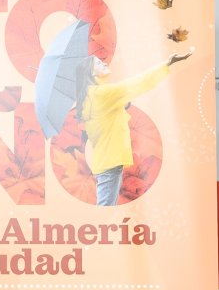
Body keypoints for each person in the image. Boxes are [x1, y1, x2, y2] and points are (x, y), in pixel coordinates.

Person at [75, 50, 192, 205]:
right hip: (110, 161)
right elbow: (137, 83)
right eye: (97, 62)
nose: (103, 62)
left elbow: (105, 117)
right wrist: (166, 64)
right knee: (105, 207)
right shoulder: (102, 93)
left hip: (106, 160)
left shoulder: (92, 95)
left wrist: (120, 104)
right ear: (91, 73)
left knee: (106, 205)